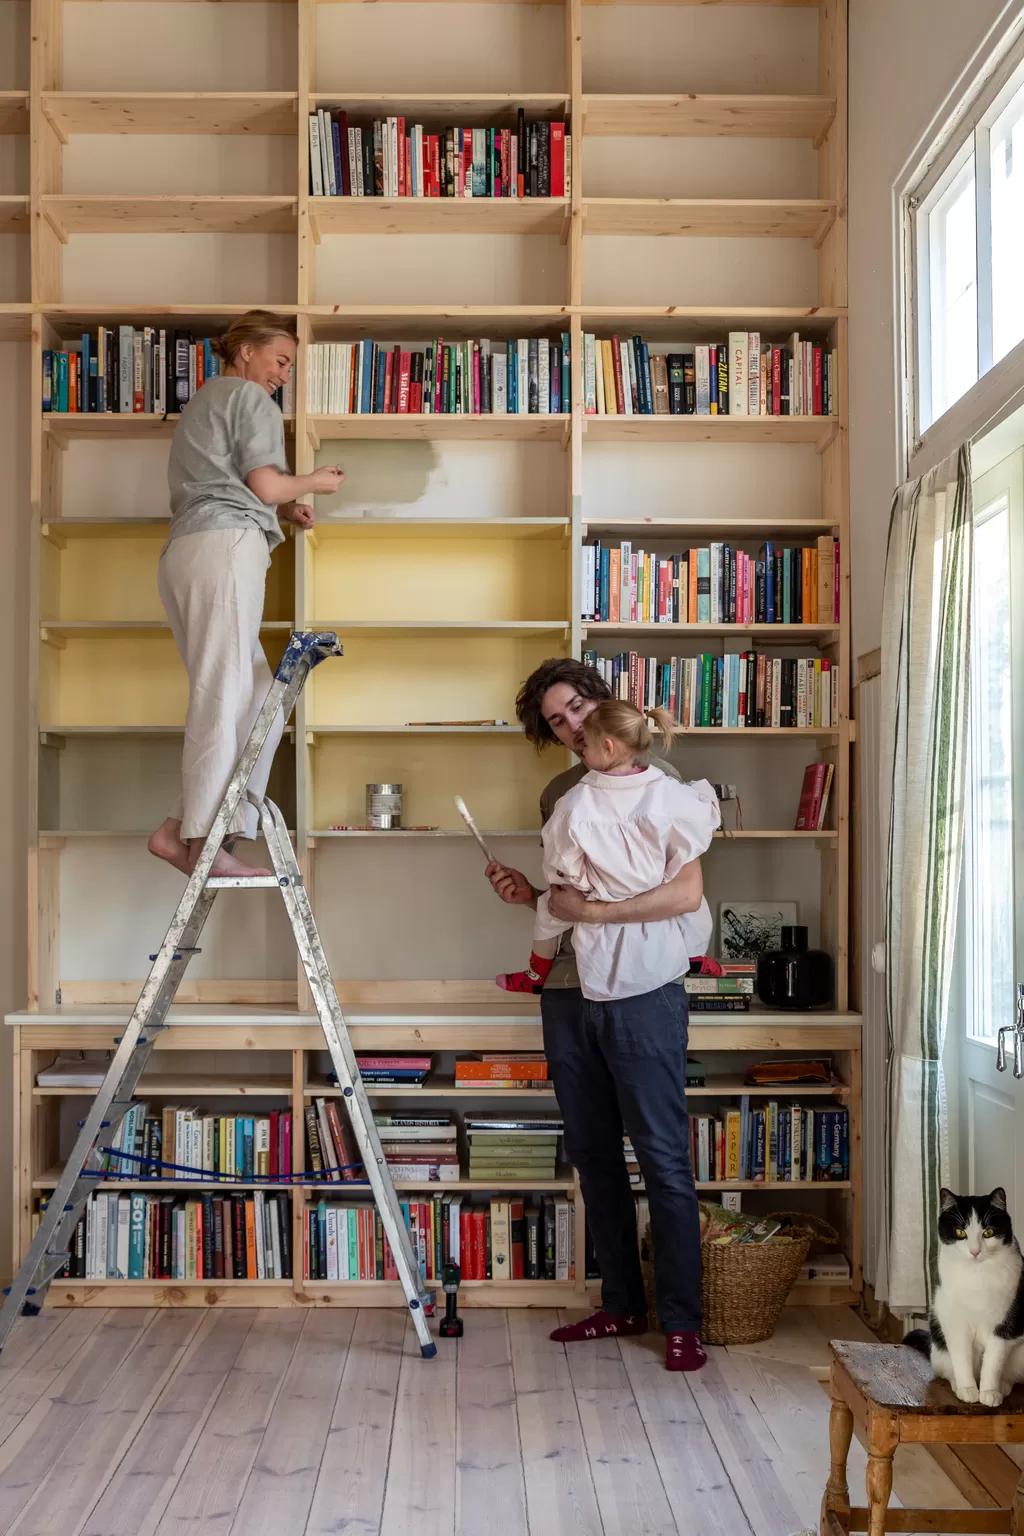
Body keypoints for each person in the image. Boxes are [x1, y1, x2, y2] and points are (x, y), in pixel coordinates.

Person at [486, 658, 710, 1372]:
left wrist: (599, 915)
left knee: (663, 1158)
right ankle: (621, 1305)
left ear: (604, 704)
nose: (573, 726)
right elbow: (567, 897)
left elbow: (683, 895)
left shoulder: (660, 780)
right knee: (593, 1154)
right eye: (558, 721)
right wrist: (527, 896)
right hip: (567, 991)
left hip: (643, 990)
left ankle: (682, 1322)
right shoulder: (562, 794)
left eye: (578, 708)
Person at [146, 311, 344, 879]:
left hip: (193, 551)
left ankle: (180, 830)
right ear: (246, 351)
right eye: (280, 360)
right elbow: (264, 483)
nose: (283, 374)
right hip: (223, 547)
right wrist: (315, 481)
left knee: (260, 697)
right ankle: (203, 844)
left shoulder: (206, 402)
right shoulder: (250, 398)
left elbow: (232, 485)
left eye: (288, 366)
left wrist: (283, 507)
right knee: (225, 692)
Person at [496, 699, 719, 997]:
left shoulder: (574, 804)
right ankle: (695, 955)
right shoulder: (671, 793)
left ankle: (535, 974)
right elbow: (699, 825)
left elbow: (561, 867)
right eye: (558, 720)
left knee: (550, 910)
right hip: (656, 907)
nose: (581, 748)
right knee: (697, 910)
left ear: (608, 747)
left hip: (602, 899)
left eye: (585, 745)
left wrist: (579, 887)